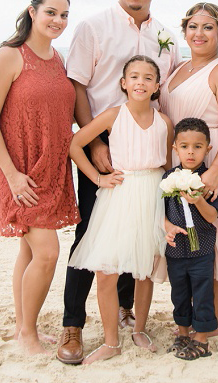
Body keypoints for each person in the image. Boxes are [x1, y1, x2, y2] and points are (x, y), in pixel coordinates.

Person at [59, 0, 181, 364]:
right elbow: (77, 86)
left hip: (146, 155)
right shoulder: (93, 27)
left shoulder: (166, 36)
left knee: (140, 241)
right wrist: (94, 145)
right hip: (104, 145)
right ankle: (73, 325)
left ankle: (129, 316)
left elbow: (166, 94)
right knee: (91, 240)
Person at [0, 0, 80, 355]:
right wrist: (11, 175)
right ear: (33, 11)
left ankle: (24, 328)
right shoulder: (9, 56)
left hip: (51, 169)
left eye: (65, 15)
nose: (58, 20)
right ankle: (27, 337)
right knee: (48, 253)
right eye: (51, 12)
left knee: (28, 250)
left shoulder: (57, 59)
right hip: (19, 172)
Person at [67, 56, 173, 364]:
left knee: (146, 269)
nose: (141, 82)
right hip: (121, 195)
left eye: (148, 77)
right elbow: (75, 145)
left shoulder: (164, 121)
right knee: (106, 270)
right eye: (134, 77)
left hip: (153, 193)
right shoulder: (113, 115)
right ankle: (111, 342)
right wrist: (99, 177)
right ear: (124, 83)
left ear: (156, 86)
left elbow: (167, 164)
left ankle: (139, 329)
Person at [158, 2, 218, 333]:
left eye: (208, 27)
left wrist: (215, 171)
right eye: (193, 27)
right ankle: (191, 315)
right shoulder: (176, 69)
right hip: (183, 158)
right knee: (184, 238)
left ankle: (209, 323)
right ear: (184, 32)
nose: (199, 33)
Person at [162, 118, 218, 360]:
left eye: (197, 147)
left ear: (208, 148)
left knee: (203, 291)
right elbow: (161, 213)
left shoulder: (208, 179)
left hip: (202, 250)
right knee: (179, 292)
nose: (190, 151)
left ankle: (202, 337)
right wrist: (167, 228)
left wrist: (198, 200)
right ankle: (183, 331)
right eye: (184, 146)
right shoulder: (168, 178)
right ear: (175, 148)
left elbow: (213, 216)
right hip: (176, 250)